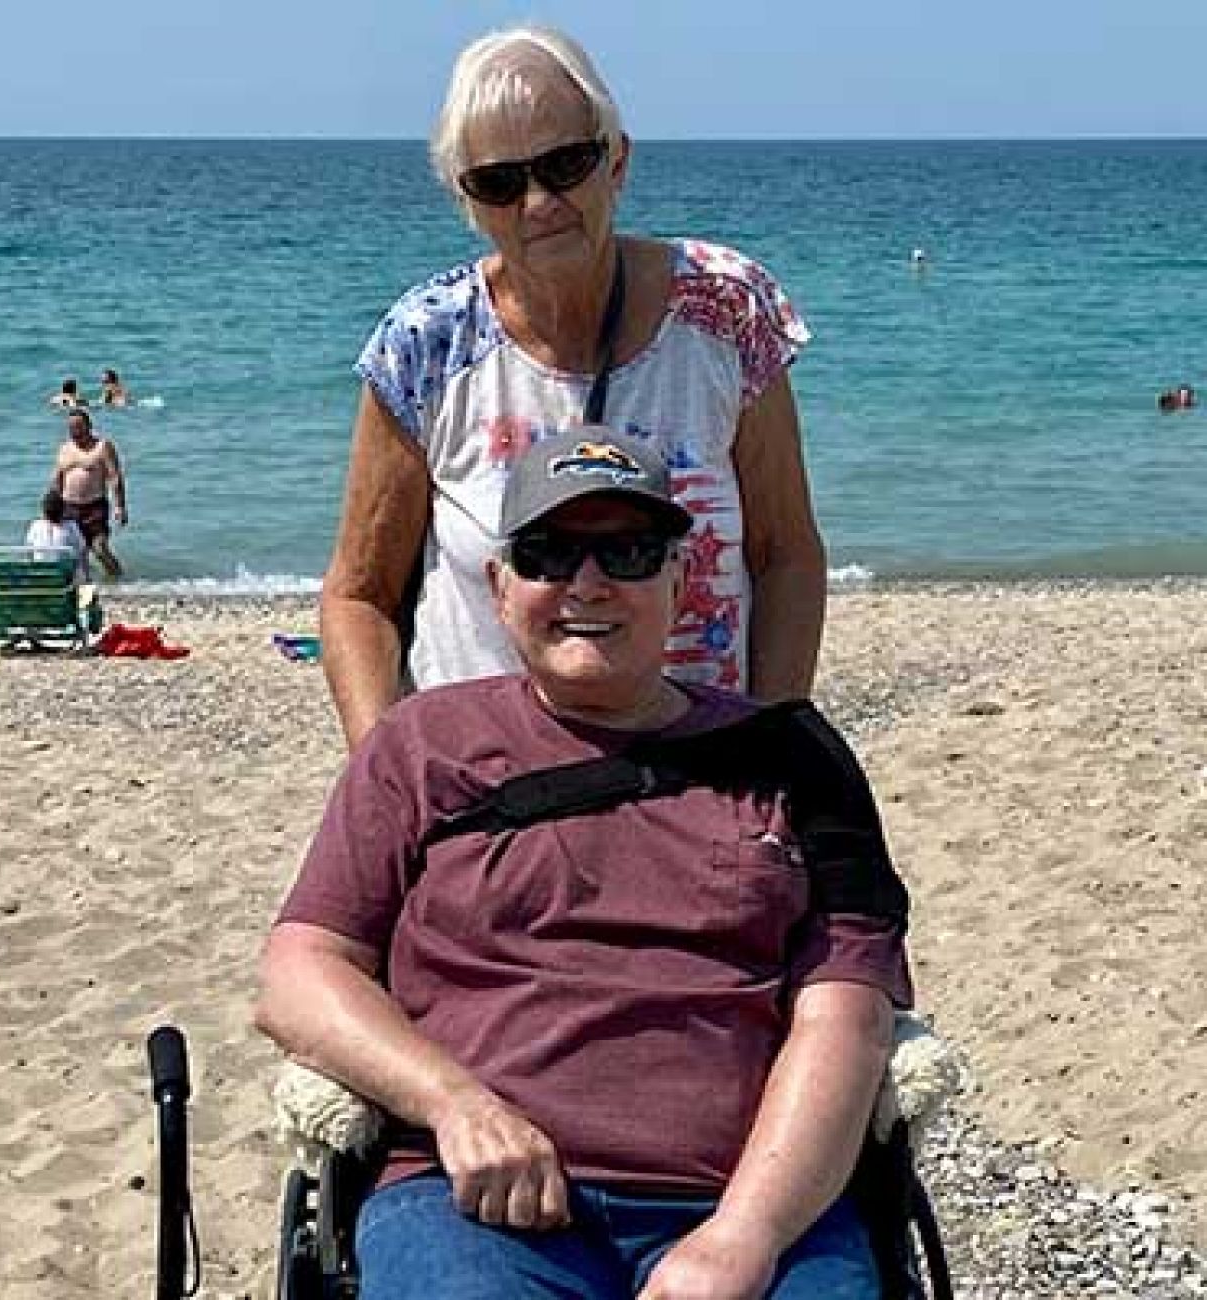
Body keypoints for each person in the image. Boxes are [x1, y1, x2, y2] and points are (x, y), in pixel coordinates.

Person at [258, 427, 911, 1300]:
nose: (588, 583)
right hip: (473, 1204)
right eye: (548, 553)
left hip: (748, 1199)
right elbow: (300, 971)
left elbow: (848, 1021)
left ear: (681, 581)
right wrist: (455, 1102)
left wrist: (743, 1239)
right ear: (499, 586)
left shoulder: (797, 760)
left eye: (629, 553)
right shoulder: (421, 745)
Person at [320, 24, 827, 750]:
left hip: (701, 779)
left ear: (617, 160)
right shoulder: (426, 344)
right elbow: (359, 595)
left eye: (566, 164)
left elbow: (786, 556)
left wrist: (775, 749)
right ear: (467, 201)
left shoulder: (725, 311)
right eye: (499, 182)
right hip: (490, 794)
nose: (537, 203)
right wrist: (387, 777)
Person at [51, 409, 128, 578]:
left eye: (78, 427)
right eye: (71, 427)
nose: (74, 431)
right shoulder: (64, 449)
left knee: (100, 549)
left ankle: (120, 581)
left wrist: (120, 507)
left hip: (94, 507)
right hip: (68, 508)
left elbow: (115, 477)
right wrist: (50, 510)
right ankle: (85, 585)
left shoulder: (102, 447)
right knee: (76, 553)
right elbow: (57, 481)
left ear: (89, 426)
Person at [25, 487, 89, 581]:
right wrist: (86, 577)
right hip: (63, 578)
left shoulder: (35, 525)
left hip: (40, 576)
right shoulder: (70, 526)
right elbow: (82, 551)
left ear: (44, 511)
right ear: (63, 510)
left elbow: (29, 552)